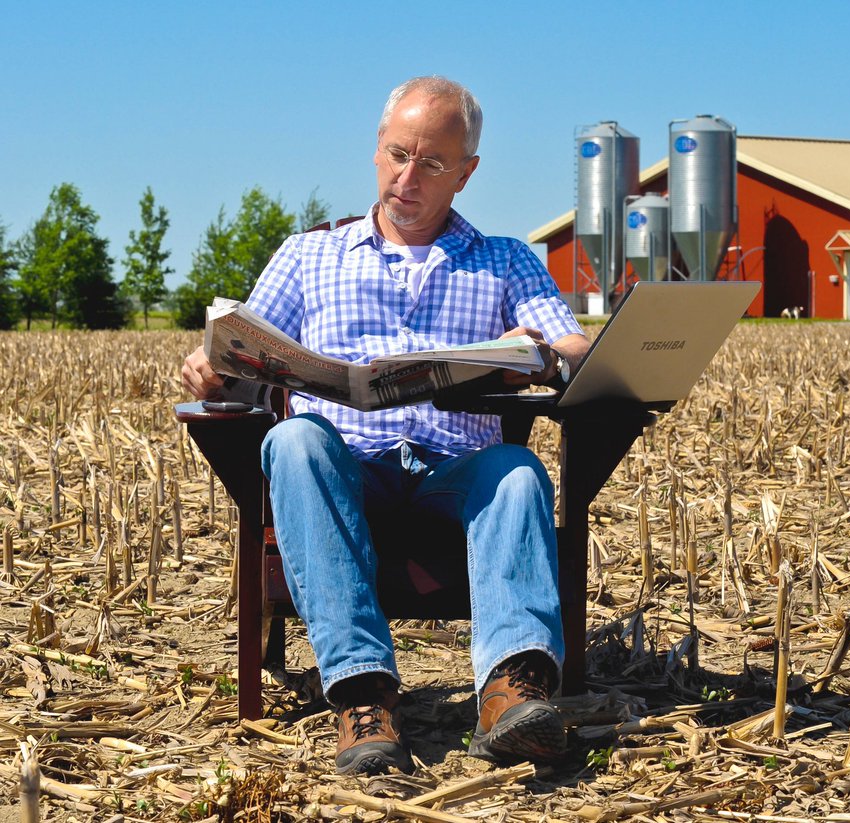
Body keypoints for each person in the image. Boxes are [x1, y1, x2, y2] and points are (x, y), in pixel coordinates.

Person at [181, 75, 589, 775]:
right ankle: (363, 696)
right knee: (294, 438)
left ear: (467, 172)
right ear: (376, 149)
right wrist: (211, 365)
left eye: (431, 163)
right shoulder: (310, 256)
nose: (408, 176)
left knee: (519, 470)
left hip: (453, 472)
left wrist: (544, 355)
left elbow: (577, 352)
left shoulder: (507, 260)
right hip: (347, 468)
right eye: (398, 154)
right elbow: (239, 347)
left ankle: (511, 694)